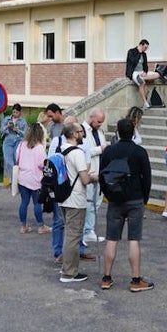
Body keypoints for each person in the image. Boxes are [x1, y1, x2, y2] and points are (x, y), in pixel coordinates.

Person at [99, 118, 154, 292]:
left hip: (115, 199)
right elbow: (147, 178)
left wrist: (108, 195)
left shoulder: (109, 151)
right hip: (135, 198)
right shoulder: (139, 152)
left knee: (111, 239)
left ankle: (106, 278)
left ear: (117, 132)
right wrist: (143, 200)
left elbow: (102, 175)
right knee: (134, 240)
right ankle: (135, 280)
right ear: (133, 132)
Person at [59, 121, 97, 284]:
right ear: (74, 134)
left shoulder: (60, 149)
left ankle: (68, 269)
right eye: (81, 131)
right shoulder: (77, 153)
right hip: (75, 199)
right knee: (73, 236)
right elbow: (84, 178)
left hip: (64, 197)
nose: (83, 134)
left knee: (69, 234)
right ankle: (69, 273)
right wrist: (94, 177)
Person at [15, 122, 49, 235]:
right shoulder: (39, 148)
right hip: (35, 178)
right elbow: (43, 164)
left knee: (24, 202)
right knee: (37, 203)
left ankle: (23, 226)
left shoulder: (21, 145)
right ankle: (40, 226)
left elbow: (17, 159)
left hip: (22, 177)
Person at [80, 108, 107, 244]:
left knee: (96, 203)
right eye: (98, 122)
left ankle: (89, 230)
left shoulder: (99, 131)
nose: (99, 124)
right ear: (91, 117)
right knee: (88, 203)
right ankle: (86, 231)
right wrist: (100, 149)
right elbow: (82, 152)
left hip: (99, 172)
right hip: (89, 173)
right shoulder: (82, 131)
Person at [126, 39, 163, 109]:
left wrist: (145, 72)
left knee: (157, 74)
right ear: (140, 45)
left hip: (142, 73)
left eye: (147, 48)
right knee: (142, 83)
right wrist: (139, 53)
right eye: (145, 47)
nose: (146, 49)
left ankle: (141, 78)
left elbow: (145, 65)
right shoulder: (131, 51)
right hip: (134, 72)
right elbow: (133, 61)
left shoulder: (144, 54)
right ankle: (145, 103)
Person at [0, 104, 25, 187]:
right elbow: (1, 130)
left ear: (20, 112)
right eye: (14, 112)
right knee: (8, 161)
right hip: (8, 141)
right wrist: (7, 126)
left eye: (17, 112)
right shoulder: (7, 119)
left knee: (16, 161)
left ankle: (17, 181)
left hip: (18, 141)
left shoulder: (22, 121)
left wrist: (17, 130)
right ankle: (13, 180)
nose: (15, 114)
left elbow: (26, 133)